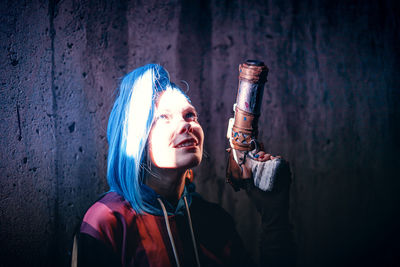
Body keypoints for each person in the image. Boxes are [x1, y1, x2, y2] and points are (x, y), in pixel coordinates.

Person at [72, 64, 295, 267]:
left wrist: (274, 217)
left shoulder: (213, 219)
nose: (185, 125)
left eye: (190, 115)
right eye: (163, 118)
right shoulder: (107, 221)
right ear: (134, 139)